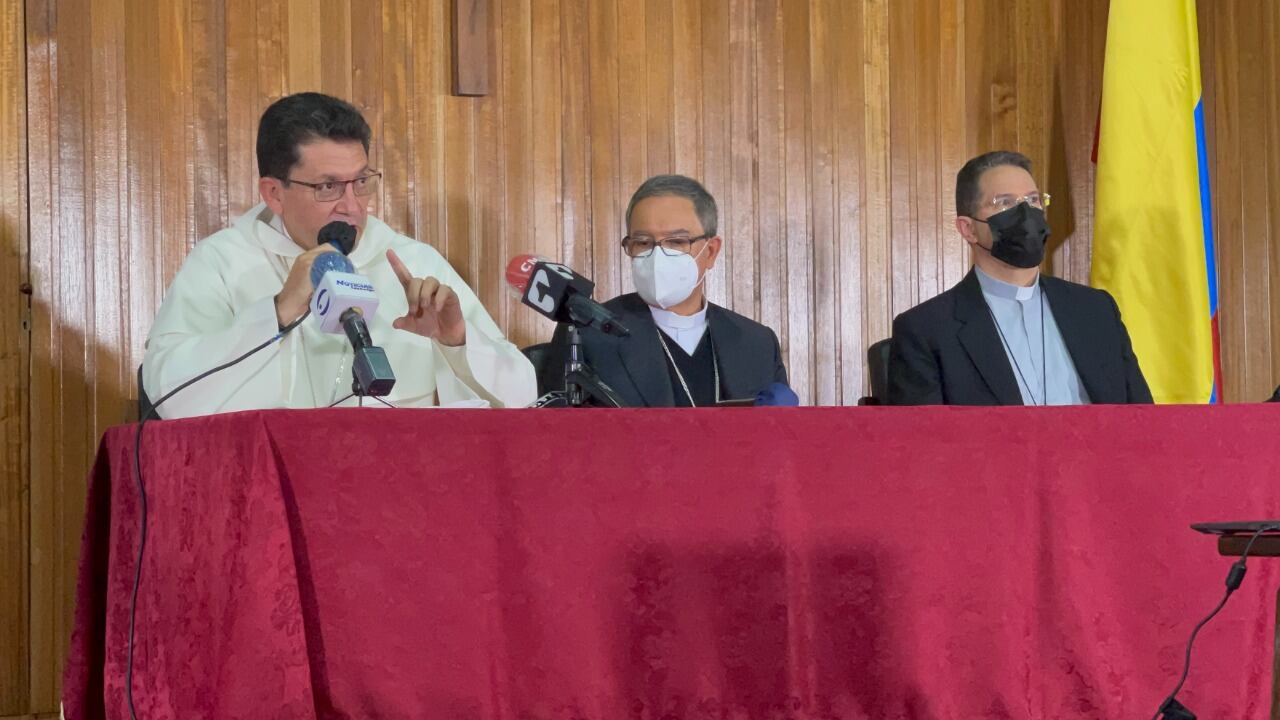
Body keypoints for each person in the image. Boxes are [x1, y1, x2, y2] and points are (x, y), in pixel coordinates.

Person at [143, 92, 535, 418]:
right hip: (271, 488)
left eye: (361, 182)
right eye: (328, 187)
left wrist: (457, 342)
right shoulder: (224, 263)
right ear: (274, 193)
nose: (352, 207)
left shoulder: (415, 262)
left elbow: (521, 398)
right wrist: (276, 313)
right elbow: (169, 393)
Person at [888, 150, 1152, 406]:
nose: (1025, 214)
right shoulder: (927, 329)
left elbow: (1143, 422)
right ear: (968, 229)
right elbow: (922, 444)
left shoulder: (1095, 310)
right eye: (1005, 203)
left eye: (1034, 200)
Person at [539, 174, 789, 407]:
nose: (657, 255)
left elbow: (779, 442)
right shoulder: (587, 334)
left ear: (711, 252)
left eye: (677, 241)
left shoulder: (757, 343)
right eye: (643, 242)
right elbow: (557, 441)